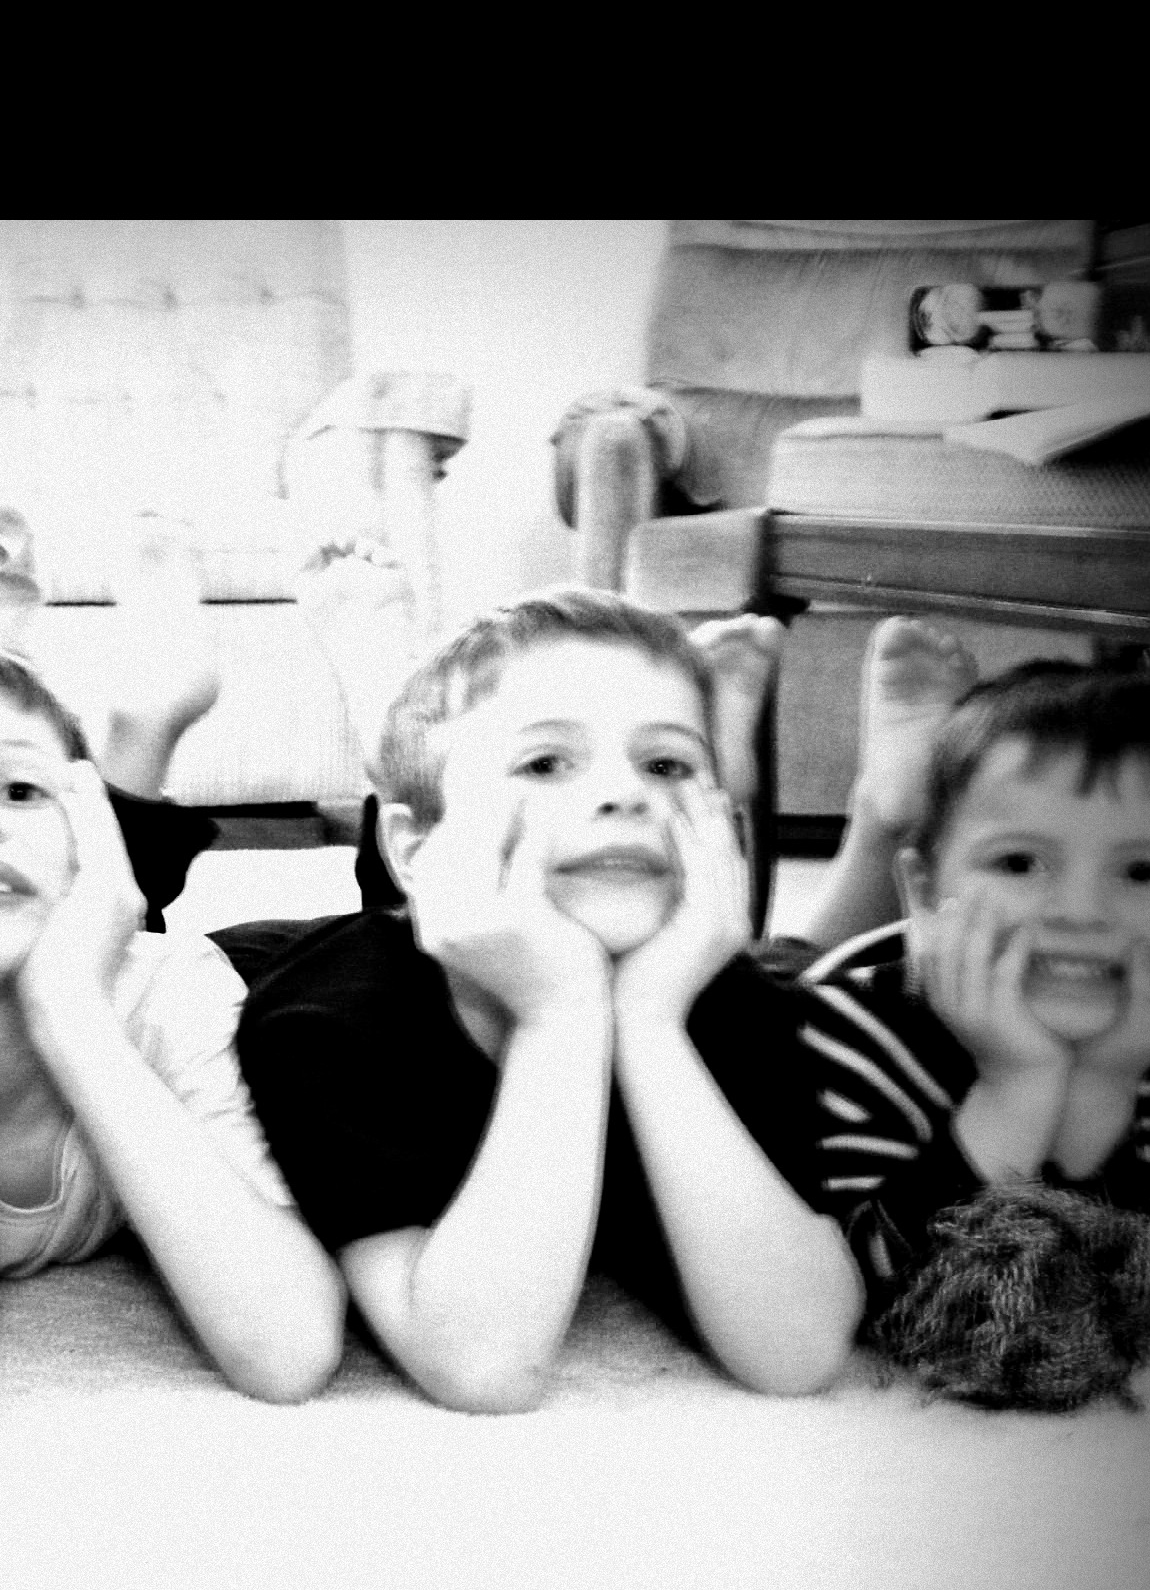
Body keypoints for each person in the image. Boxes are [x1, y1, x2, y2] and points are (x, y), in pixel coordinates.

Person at [215, 586, 862, 1412]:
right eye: (547, 763)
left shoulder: (719, 995)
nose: (625, 794)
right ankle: (393, 736)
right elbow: (479, 1364)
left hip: (462, 902)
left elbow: (795, 1349)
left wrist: (650, 1023)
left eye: (666, 765)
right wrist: (561, 1017)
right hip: (268, 959)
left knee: (807, 970)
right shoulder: (327, 1021)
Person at [0, 644, 344, 1461]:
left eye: (20, 791)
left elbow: (286, 1351)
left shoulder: (169, 990)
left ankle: (138, 739)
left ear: (91, 836)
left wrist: (69, 1007)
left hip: (263, 959)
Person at [790, 656, 1150, 1411]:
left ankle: (900, 795)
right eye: (1020, 861)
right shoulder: (840, 1032)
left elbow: (1099, 1274)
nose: (1079, 912)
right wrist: (1017, 1083)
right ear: (924, 891)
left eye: (1142, 872)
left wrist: (1106, 1080)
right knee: (769, 961)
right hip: (799, 988)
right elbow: (880, 1296)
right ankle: (881, 812)